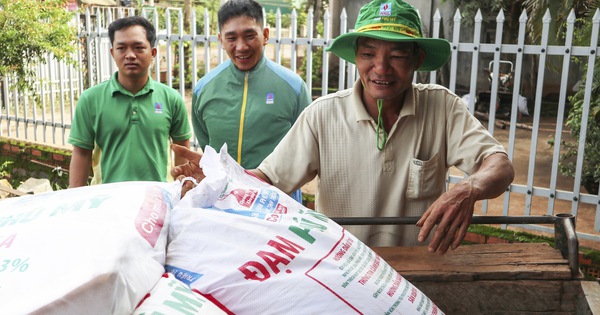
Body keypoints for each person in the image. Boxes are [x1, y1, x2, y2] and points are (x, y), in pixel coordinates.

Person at [171, 0, 514, 254]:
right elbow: (270, 179)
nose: (381, 68)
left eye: (396, 55)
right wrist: (220, 180)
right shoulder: (323, 116)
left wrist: (467, 189)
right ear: (355, 57)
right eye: (368, 54)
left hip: (420, 268)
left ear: (417, 59)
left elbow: (499, 165)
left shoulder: (442, 107)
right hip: (343, 271)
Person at [192, 0, 311, 202]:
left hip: (279, 203)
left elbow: (306, 147)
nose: (241, 46)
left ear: (265, 35)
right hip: (222, 202)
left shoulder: (293, 87)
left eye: (250, 35)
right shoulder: (204, 89)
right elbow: (207, 144)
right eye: (231, 38)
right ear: (220, 39)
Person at [69, 16, 192, 187]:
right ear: (113, 53)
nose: (130, 55)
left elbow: (182, 150)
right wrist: (75, 199)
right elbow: (81, 154)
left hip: (158, 200)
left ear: (153, 53)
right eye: (121, 48)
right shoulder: (90, 100)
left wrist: (182, 191)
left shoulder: (171, 99)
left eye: (139, 47)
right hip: (106, 200)